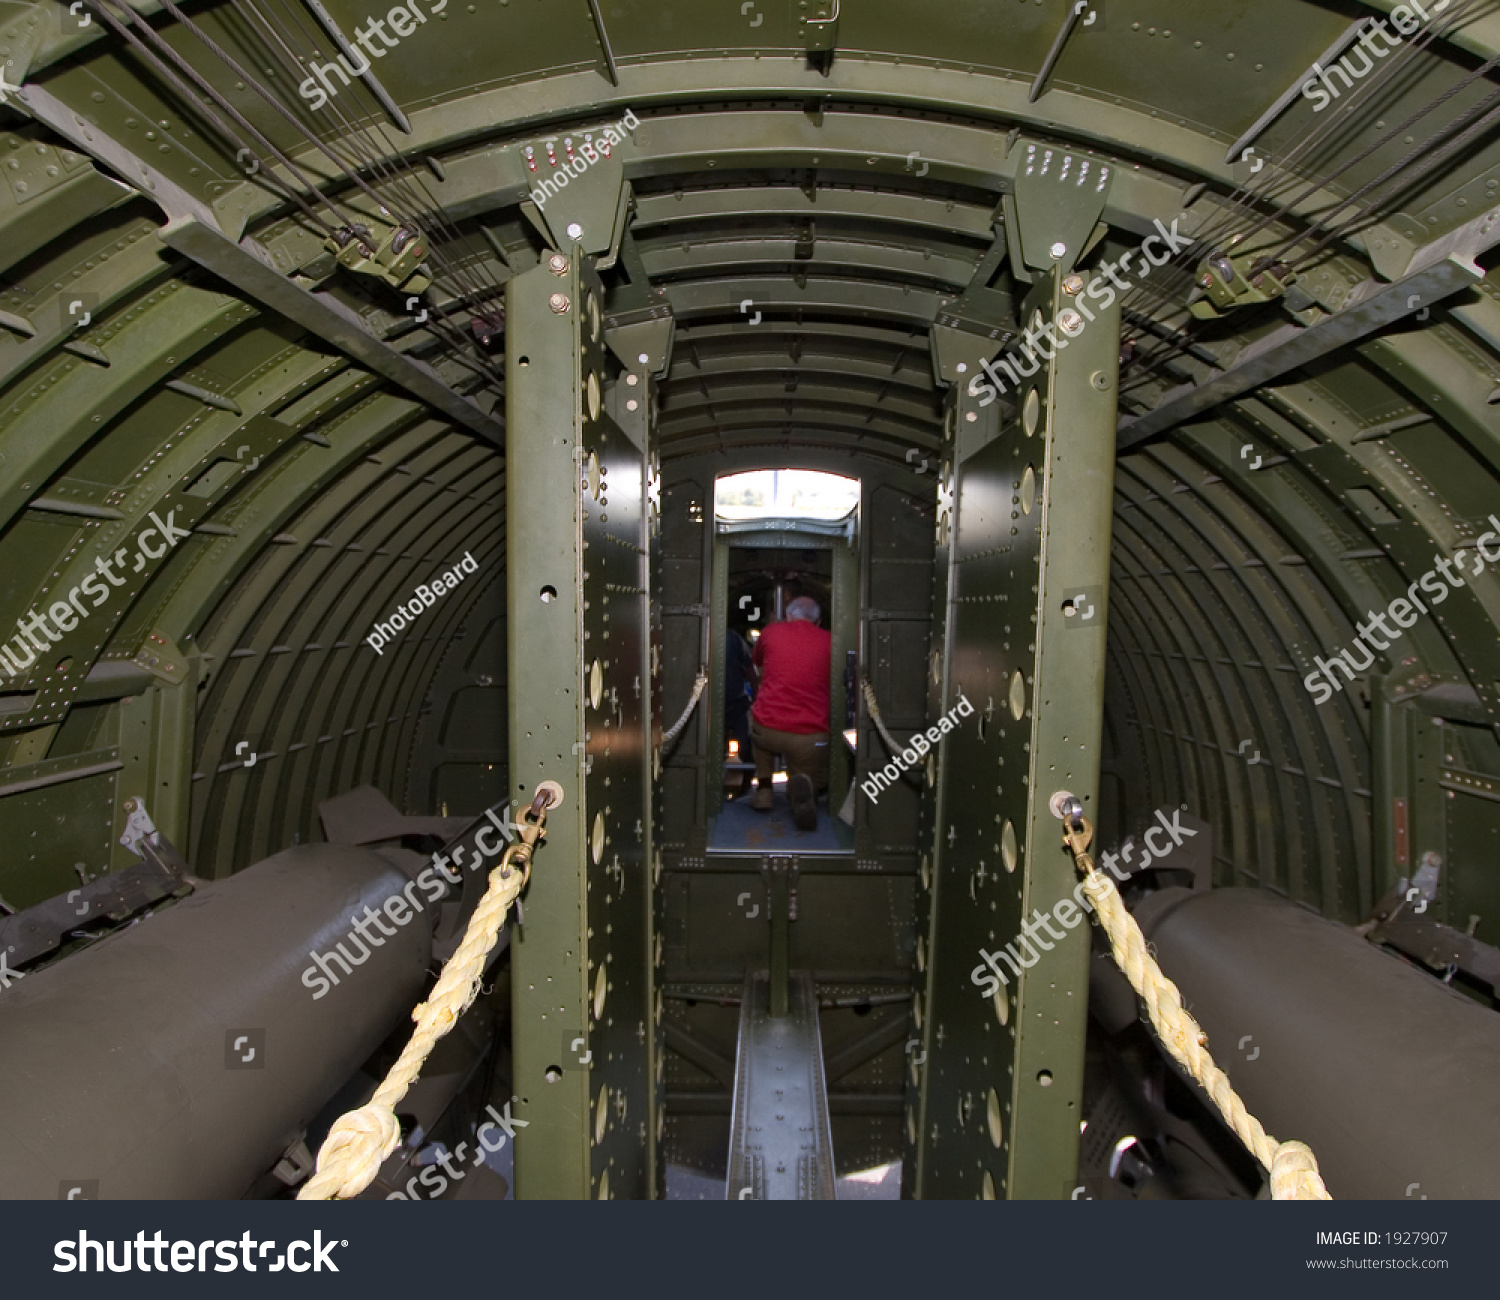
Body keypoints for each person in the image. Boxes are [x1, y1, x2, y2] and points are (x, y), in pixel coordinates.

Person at [749, 595, 831, 831]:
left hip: (768, 729)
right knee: (809, 767)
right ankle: (801, 787)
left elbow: (758, 662)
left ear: (788, 615)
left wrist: (773, 628)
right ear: (818, 621)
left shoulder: (771, 632)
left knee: (755, 726)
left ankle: (764, 788)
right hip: (811, 736)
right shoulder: (830, 640)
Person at [724, 627, 756, 796]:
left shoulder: (733, 639)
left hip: (736, 703)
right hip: (730, 701)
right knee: (744, 745)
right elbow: (750, 669)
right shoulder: (733, 638)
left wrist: (757, 697)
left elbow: (749, 667)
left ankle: (746, 783)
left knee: (746, 746)